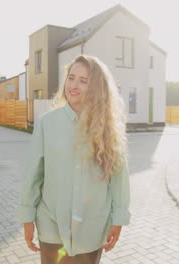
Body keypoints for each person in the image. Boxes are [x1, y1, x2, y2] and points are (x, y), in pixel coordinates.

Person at [17, 55, 130, 264]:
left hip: (92, 228)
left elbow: (119, 179)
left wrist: (119, 219)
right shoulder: (46, 123)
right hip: (51, 225)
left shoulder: (110, 128)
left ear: (96, 87)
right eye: (71, 78)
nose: (73, 85)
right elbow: (33, 174)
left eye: (83, 81)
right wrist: (27, 216)